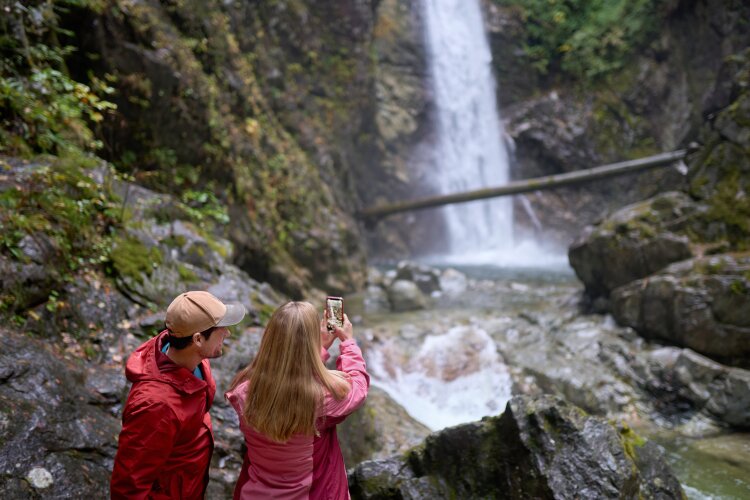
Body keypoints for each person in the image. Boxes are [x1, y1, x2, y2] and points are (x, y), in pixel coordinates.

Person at [225, 301, 369, 500]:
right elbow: (358, 388)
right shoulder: (321, 400)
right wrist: (348, 343)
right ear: (310, 343)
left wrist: (320, 348)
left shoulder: (243, 391)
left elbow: (285, 377)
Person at [111, 290, 246, 499]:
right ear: (198, 339)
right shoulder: (155, 407)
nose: (227, 333)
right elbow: (129, 487)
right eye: (221, 328)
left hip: (188, 481)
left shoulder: (192, 356)